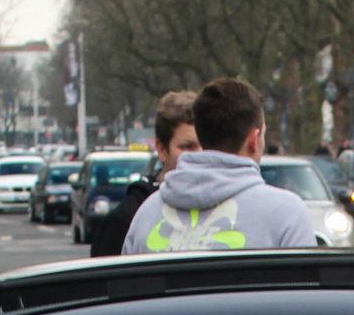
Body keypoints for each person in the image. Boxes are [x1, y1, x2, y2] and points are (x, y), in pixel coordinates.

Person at [123, 77, 317, 253]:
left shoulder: (146, 215)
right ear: (253, 140)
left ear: (201, 134)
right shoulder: (286, 214)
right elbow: (304, 291)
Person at [89, 89, 196, 258]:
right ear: (162, 149)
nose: (199, 155)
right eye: (187, 147)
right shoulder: (126, 220)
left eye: (206, 146)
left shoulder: (231, 207)